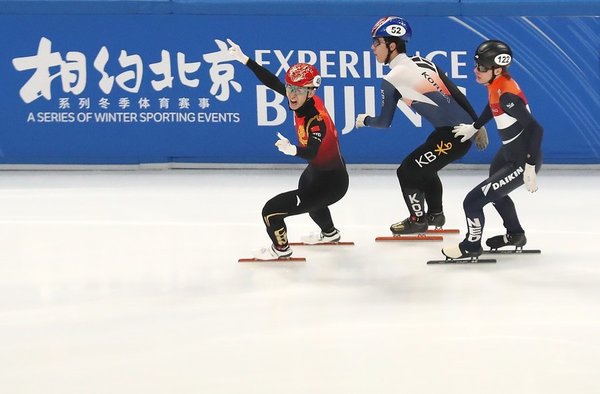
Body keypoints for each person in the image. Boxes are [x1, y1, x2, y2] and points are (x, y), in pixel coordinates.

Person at [355, 16, 487, 235]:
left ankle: (418, 220)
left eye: (376, 43)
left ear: (392, 45)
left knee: (407, 171)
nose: (372, 48)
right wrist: (476, 124)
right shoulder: (425, 62)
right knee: (425, 169)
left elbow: (384, 122)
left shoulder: (392, 78)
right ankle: (435, 214)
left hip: (451, 138)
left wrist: (365, 120)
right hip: (455, 135)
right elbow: (456, 93)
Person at [226, 39, 349, 260]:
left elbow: (312, 151)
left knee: (270, 212)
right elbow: (272, 82)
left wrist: (293, 150)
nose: (291, 94)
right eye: (290, 88)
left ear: (311, 93)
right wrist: (245, 60)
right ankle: (330, 233)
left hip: (332, 183)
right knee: (309, 194)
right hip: (319, 174)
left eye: (298, 90)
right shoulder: (301, 100)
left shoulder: (316, 119)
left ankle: (281, 249)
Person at [442, 39, 543, 259]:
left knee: (472, 201)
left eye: (481, 67)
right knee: (496, 195)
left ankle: (471, 246)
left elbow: (536, 129)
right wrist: (475, 127)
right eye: (477, 65)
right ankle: (515, 234)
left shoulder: (507, 95)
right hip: (509, 152)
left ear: (497, 69)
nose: (475, 70)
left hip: (521, 159)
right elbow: (491, 105)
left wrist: (530, 165)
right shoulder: (496, 84)